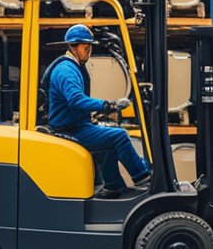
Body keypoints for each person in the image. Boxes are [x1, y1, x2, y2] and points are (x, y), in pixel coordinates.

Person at [43, 24, 151, 198]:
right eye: (86, 48)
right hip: (70, 129)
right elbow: (76, 100)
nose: (89, 51)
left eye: (90, 47)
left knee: (108, 142)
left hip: (76, 124)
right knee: (119, 136)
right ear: (73, 46)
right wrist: (108, 105)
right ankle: (143, 177)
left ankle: (113, 186)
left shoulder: (71, 67)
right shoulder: (66, 71)